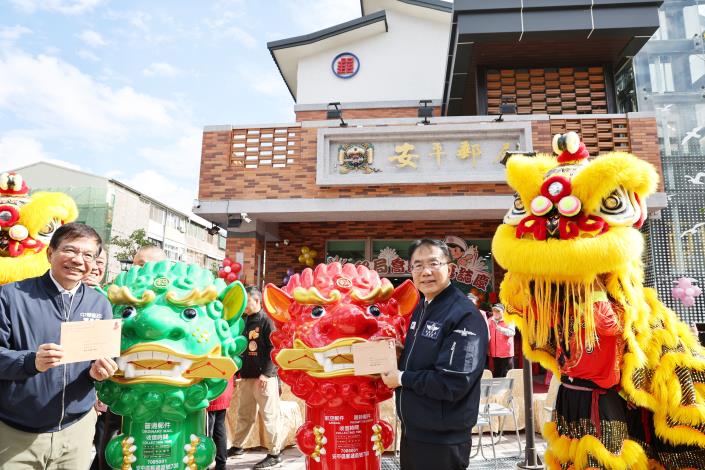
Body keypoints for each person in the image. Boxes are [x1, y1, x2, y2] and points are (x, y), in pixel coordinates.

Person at [0, 223, 118, 469]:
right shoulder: (10, 296)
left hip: (77, 431)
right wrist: (30, 361)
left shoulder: (100, 303)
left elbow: (104, 357)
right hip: (16, 433)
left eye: (88, 255)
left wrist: (98, 373)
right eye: (70, 250)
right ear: (50, 253)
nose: (78, 260)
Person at [381, 239, 489, 470]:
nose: (426, 272)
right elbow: (427, 357)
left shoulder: (464, 315)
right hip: (413, 432)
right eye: (418, 265)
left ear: (450, 269)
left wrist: (401, 378)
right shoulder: (422, 307)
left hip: (442, 440)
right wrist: (401, 353)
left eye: (433, 263)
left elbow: (453, 382)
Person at [228, 286, 281, 469]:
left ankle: (275, 453)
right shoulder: (244, 321)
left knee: (269, 416)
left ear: (257, 300)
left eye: (247, 301)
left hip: (264, 378)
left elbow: (274, 348)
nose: (244, 305)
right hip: (247, 376)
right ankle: (237, 446)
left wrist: (266, 373)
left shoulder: (267, 321)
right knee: (244, 414)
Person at [207, 376, 235, 470]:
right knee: (219, 430)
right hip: (223, 390)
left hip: (211, 394)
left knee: (207, 433)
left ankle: (205, 464)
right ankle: (221, 464)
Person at [488, 303, 515, 378]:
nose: (495, 313)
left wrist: (501, 329)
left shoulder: (509, 320)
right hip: (494, 354)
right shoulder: (490, 320)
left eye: (498, 311)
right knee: (496, 375)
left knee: (507, 375)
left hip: (506, 354)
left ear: (503, 312)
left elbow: (512, 333)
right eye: (494, 311)